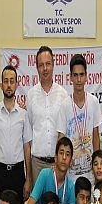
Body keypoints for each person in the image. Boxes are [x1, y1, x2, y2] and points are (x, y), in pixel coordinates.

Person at [0, 65, 33, 204]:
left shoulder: (23, 115)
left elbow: (27, 147)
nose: (9, 85)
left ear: (16, 85)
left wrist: (28, 179)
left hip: (17, 173)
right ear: (1, 85)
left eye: (12, 81)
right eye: (6, 81)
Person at [56, 54, 102, 183]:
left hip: (89, 173)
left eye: (81, 75)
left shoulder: (93, 102)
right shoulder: (65, 105)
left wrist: (97, 164)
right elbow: (61, 137)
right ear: (70, 77)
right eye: (75, 75)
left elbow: (96, 136)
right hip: (70, 174)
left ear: (86, 76)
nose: (79, 79)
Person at [27, 46, 67, 184]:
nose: (45, 68)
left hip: (58, 163)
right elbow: (29, 133)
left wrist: (59, 159)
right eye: (41, 65)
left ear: (53, 65)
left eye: (48, 64)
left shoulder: (63, 94)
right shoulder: (31, 95)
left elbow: (63, 131)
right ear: (37, 67)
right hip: (37, 163)